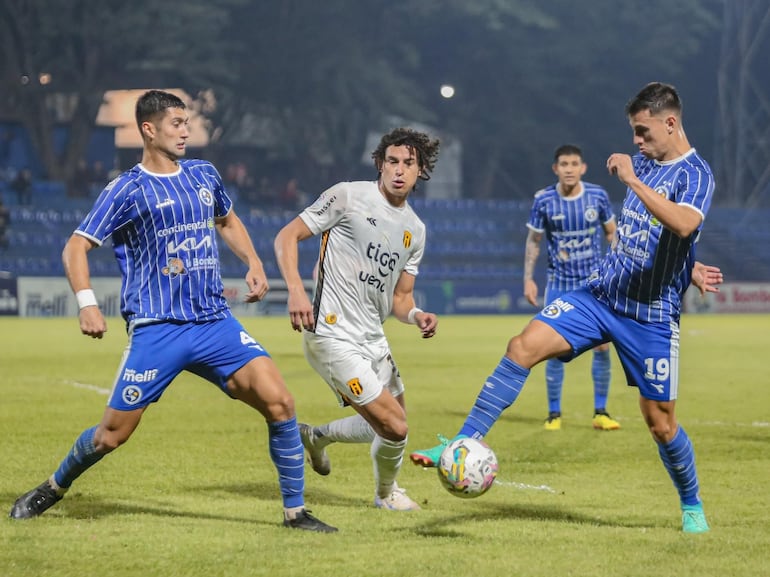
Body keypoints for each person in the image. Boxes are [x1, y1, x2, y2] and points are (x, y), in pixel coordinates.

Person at [8, 90, 336, 533]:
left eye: (187, 122)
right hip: (158, 329)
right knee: (112, 435)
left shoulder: (203, 174)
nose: (186, 130)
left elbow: (227, 220)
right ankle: (55, 485)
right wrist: (86, 304)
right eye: (176, 123)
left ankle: (296, 514)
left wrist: (254, 262)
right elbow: (76, 246)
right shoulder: (126, 188)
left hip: (214, 322)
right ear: (149, 128)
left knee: (280, 403)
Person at [410, 82, 719, 534]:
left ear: (670, 122)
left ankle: (691, 504)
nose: (636, 141)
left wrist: (633, 182)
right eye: (634, 132)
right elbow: (648, 231)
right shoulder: (649, 165)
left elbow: (686, 223)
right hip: (599, 295)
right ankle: (462, 441)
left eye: (642, 130)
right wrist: (689, 266)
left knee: (660, 423)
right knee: (522, 346)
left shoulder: (695, 175)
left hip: (649, 315)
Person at [274, 127, 440, 511]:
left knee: (391, 421)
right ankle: (386, 495)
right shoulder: (348, 195)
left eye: (408, 164)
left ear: (420, 172)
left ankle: (316, 437)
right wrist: (297, 291)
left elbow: (401, 298)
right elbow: (286, 237)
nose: (399, 170)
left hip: (372, 337)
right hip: (331, 333)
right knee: (395, 428)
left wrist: (417, 315)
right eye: (392, 162)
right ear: (381, 165)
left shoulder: (415, 230)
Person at [524, 144, 619, 431]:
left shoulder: (597, 197)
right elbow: (534, 241)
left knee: (602, 347)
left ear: (583, 168)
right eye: (563, 164)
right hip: (559, 286)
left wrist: (615, 272)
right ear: (556, 169)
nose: (568, 169)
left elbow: (612, 233)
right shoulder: (544, 200)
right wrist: (528, 278)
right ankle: (554, 414)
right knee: (552, 349)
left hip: (593, 285)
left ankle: (601, 412)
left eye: (574, 164)